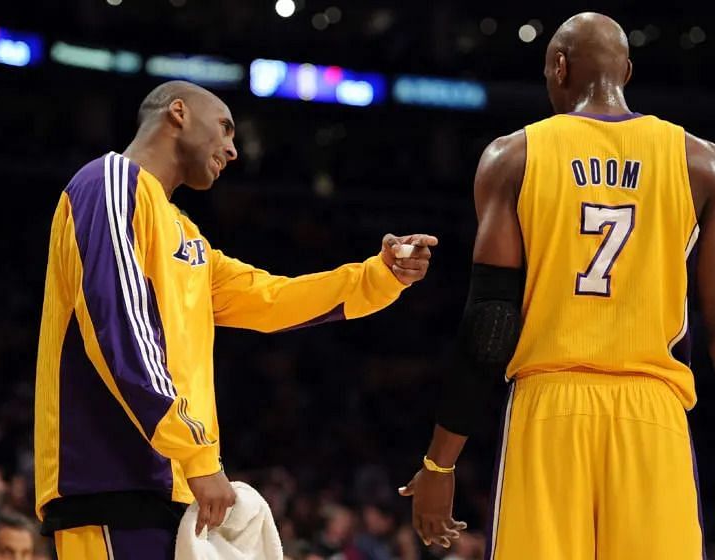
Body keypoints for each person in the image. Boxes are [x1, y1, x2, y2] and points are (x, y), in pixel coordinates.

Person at [399, 12, 715, 560]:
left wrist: (440, 462)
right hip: (653, 415)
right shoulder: (703, 163)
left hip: (549, 408)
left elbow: (491, 320)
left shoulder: (514, 156)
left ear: (558, 67)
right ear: (625, 71)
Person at [34, 80, 438, 559]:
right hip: (111, 484)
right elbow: (118, 326)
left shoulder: (185, 233)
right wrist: (198, 454)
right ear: (178, 113)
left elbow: (270, 299)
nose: (232, 149)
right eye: (225, 129)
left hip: (173, 490)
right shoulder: (110, 182)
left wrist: (379, 276)